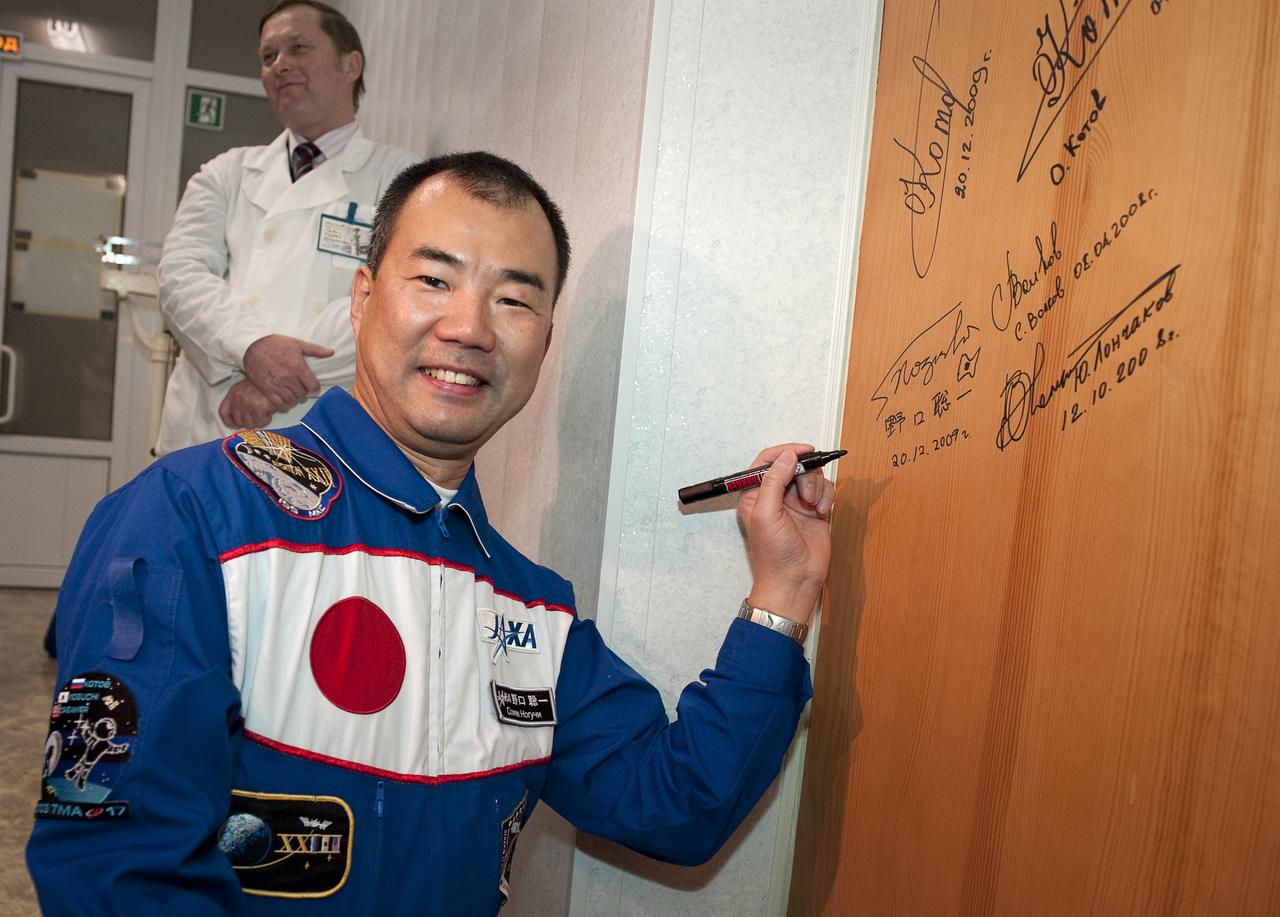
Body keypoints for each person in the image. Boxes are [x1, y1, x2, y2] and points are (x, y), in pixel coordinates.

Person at [27, 152, 836, 915]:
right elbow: (117, 867)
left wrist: (785, 589)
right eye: (433, 278)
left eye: (514, 299)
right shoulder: (193, 512)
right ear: (362, 295)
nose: (470, 326)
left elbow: (679, 804)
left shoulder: (533, 610)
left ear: (544, 344)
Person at [154, 0, 417, 455]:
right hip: (207, 424)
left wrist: (276, 383)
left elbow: (392, 299)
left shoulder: (402, 179)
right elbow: (180, 277)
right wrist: (251, 348)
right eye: (268, 56)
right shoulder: (225, 173)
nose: (280, 65)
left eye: (298, 47)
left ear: (350, 64)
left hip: (321, 434)